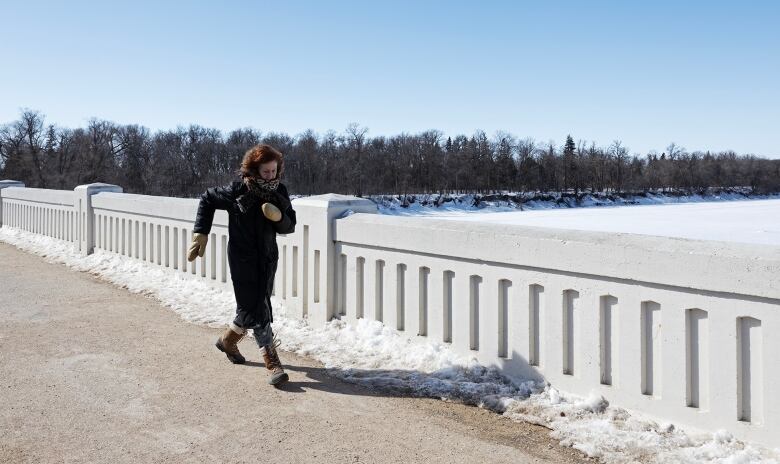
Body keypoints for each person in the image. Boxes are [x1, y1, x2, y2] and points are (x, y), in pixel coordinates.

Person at [187, 144, 296, 386]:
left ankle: (228, 340)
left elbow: (290, 226)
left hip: (267, 259)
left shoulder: (280, 192)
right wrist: (200, 233)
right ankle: (272, 362)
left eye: (273, 171)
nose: (270, 176)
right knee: (258, 308)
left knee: (255, 305)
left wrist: (279, 217)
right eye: (265, 171)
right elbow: (207, 199)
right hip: (242, 259)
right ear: (254, 169)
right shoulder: (237, 190)